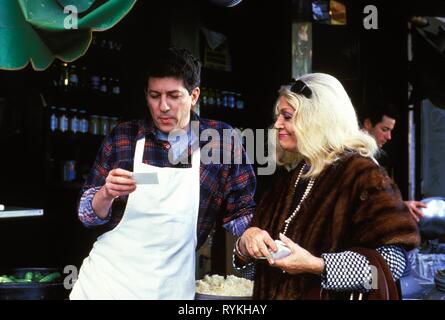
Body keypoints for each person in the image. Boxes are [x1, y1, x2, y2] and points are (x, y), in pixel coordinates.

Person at [70, 47, 256, 299]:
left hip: (171, 290)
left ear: (194, 96)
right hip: (106, 285)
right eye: (155, 96)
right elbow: (87, 216)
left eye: (173, 96)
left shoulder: (221, 142)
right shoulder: (123, 137)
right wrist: (105, 193)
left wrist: (254, 232)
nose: (163, 106)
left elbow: (240, 213)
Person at [234, 73, 420, 300]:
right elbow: (259, 272)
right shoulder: (289, 178)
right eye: (278, 116)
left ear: (318, 119)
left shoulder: (363, 176)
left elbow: (391, 267)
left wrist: (318, 265)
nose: (277, 125)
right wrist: (245, 247)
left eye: (287, 116)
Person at [361, 103, 427, 222]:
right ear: (368, 124)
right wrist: (399, 206)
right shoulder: (357, 159)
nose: (389, 137)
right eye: (384, 129)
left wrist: (400, 205)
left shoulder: (367, 157)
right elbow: (367, 204)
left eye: (390, 131)